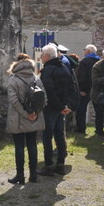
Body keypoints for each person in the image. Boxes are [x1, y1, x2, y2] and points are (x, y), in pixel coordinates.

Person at [5, 53, 45, 184]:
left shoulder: (13, 80)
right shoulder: (36, 78)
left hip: (18, 118)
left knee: (19, 147)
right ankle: (33, 175)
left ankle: (20, 175)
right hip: (34, 117)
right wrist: (35, 113)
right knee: (32, 145)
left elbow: (14, 101)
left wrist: (25, 114)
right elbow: (43, 98)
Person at [39, 43, 75, 176]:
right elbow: (71, 88)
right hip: (62, 107)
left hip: (51, 108)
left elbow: (49, 92)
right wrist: (66, 106)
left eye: (42, 55)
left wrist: (61, 107)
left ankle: (49, 166)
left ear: (48, 56)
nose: (41, 57)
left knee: (47, 137)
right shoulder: (64, 67)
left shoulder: (48, 70)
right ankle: (60, 164)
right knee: (60, 136)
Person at [76, 44, 100, 135]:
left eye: (85, 49)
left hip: (86, 90)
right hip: (97, 89)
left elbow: (82, 76)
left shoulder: (84, 62)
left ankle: (81, 129)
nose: (84, 51)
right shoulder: (99, 61)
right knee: (98, 110)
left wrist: (81, 89)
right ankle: (99, 130)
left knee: (81, 109)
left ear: (88, 51)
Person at [89, 48, 104, 140]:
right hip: (98, 94)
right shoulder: (98, 66)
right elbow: (95, 81)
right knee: (99, 114)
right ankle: (100, 133)